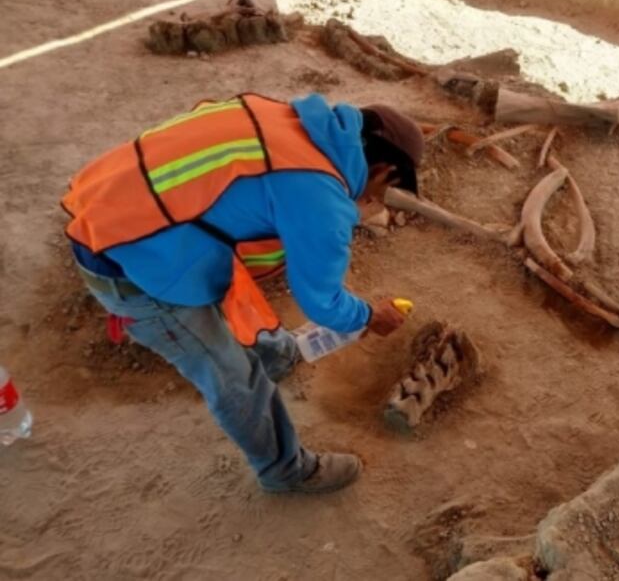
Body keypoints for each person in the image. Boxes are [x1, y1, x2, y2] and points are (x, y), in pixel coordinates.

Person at [62, 93, 424, 494]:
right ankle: (286, 471)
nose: (372, 200)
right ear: (383, 168)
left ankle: (277, 354)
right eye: (380, 190)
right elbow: (322, 303)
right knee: (234, 377)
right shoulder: (320, 197)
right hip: (130, 266)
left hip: (115, 208)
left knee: (236, 289)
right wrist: (369, 316)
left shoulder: (286, 119)